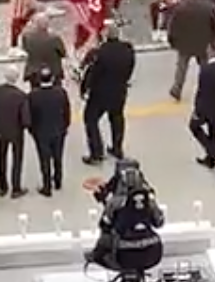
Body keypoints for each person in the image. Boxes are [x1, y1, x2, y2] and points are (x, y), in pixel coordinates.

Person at [82, 24, 136, 164]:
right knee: (117, 118)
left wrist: (85, 89)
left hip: (100, 93)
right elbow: (131, 67)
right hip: (119, 90)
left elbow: (93, 74)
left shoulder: (100, 52)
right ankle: (117, 148)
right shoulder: (128, 49)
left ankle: (96, 152)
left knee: (91, 119)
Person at [167, 0, 215, 101]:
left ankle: (177, 88)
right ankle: (205, 90)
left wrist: (171, 39)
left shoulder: (179, 7)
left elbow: (172, 25)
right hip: (204, 41)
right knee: (205, 68)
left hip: (184, 42)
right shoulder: (209, 6)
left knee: (181, 67)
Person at [0, 66, 31, 198]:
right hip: (16, 131)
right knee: (17, 159)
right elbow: (26, 120)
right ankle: (16, 187)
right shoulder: (21, 96)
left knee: (2, 156)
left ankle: (2, 186)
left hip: (0, 129)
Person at [28, 68, 71, 197]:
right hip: (58, 130)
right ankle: (58, 181)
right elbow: (67, 111)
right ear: (52, 78)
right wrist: (65, 126)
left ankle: (46, 186)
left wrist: (32, 131)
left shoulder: (33, 95)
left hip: (41, 132)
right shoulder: (61, 93)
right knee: (58, 156)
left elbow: (31, 116)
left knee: (44, 159)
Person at [22, 12, 67, 84]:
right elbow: (63, 53)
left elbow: (25, 49)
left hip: (34, 73)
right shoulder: (55, 38)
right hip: (53, 72)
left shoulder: (27, 37)